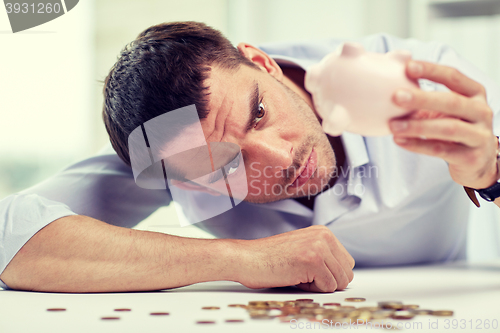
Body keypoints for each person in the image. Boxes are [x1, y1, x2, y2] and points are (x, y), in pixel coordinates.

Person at [1, 22, 499, 293]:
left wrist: (493, 174)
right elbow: (9, 234)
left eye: (258, 113)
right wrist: (238, 259)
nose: (281, 158)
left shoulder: (418, 83)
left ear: (261, 62)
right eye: (223, 167)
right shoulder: (169, 158)